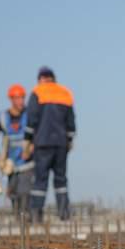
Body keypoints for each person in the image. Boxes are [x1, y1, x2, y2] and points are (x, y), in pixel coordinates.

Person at [24, 66, 76, 223]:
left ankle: (36, 214)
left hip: (43, 143)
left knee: (40, 179)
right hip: (61, 144)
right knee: (61, 179)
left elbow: (31, 119)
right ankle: (64, 213)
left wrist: (27, 140)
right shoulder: (65, 92)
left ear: (41, 78)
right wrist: (70, 140)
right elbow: (71, 122)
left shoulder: (38, 92)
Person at [0, 84, 34, 217]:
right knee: (13, 192)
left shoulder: (30, 115)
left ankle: (26, 219)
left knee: (24, 191)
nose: (21, 101)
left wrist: (32, 147)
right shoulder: (3, 117)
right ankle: (17, 219)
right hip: (11, 164)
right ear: (11, 99)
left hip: (28, 163)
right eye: (17, 98)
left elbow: (39, 133)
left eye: (22, 98)